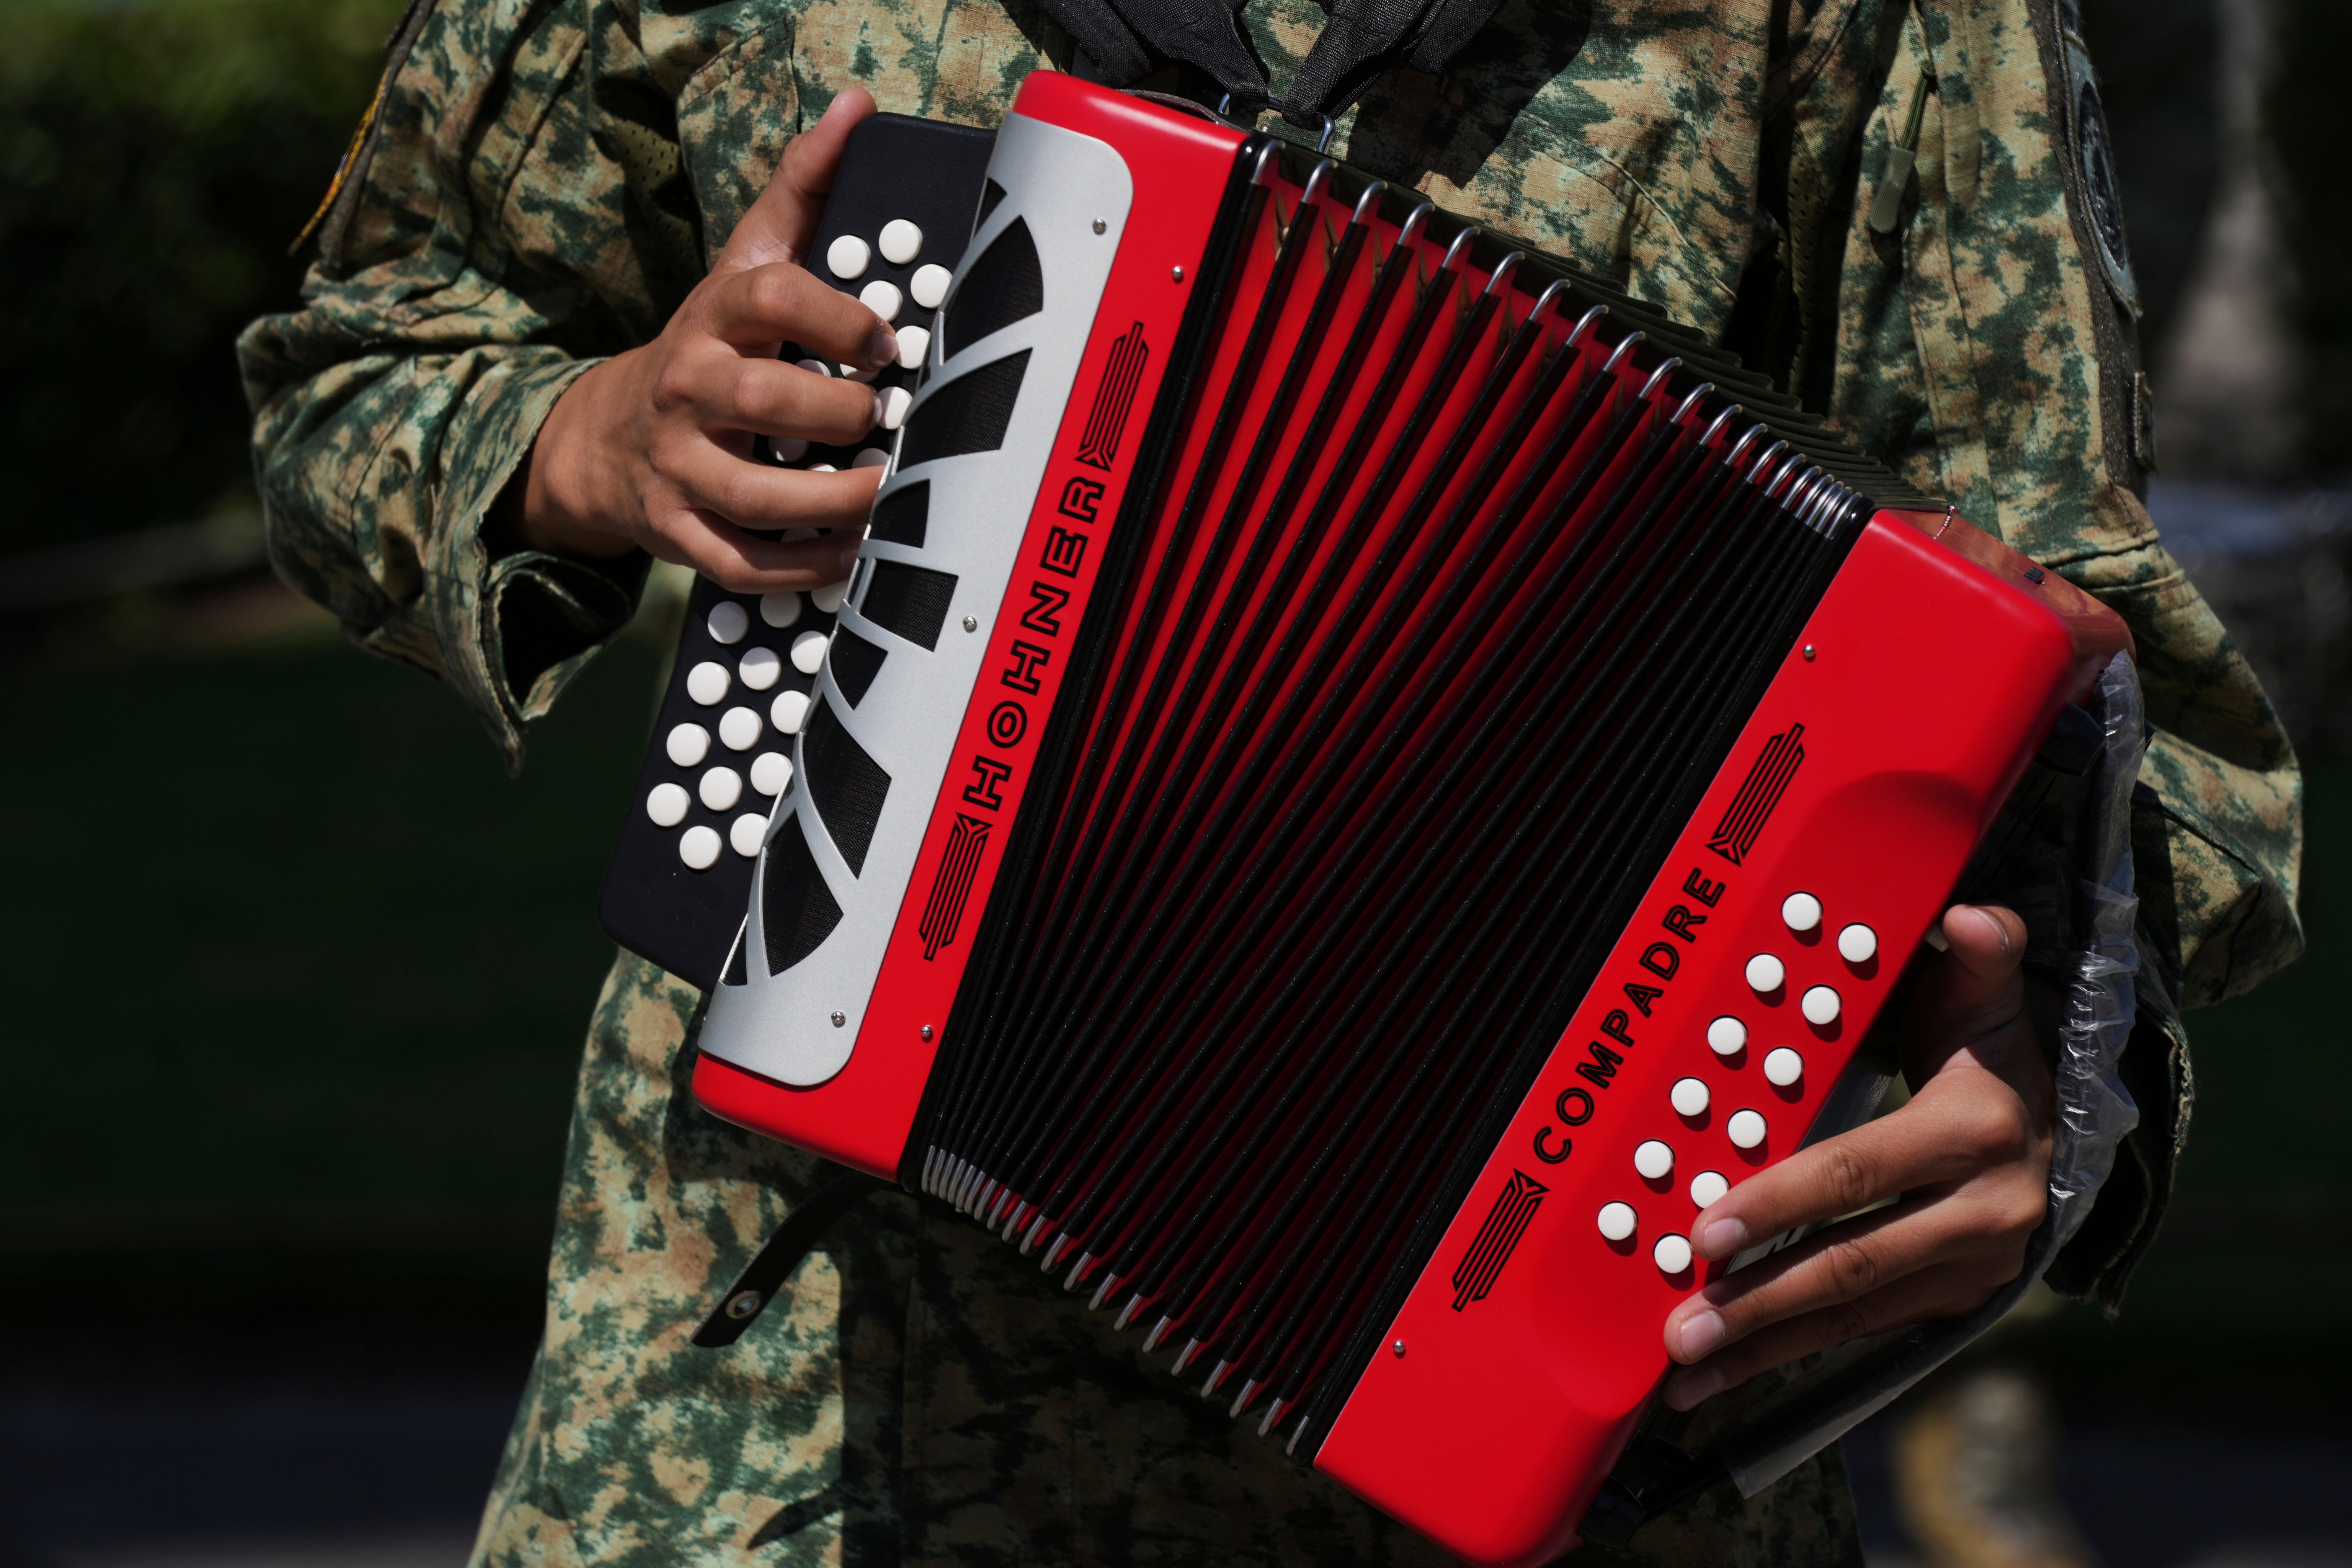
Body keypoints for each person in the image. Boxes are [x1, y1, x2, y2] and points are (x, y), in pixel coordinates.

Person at [238, 0, 2304, 1562]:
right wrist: (596, 436)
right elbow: (366, 361)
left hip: (1568, 1442)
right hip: (777, 1431)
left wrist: (2060, 1078)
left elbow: (2102, 669)